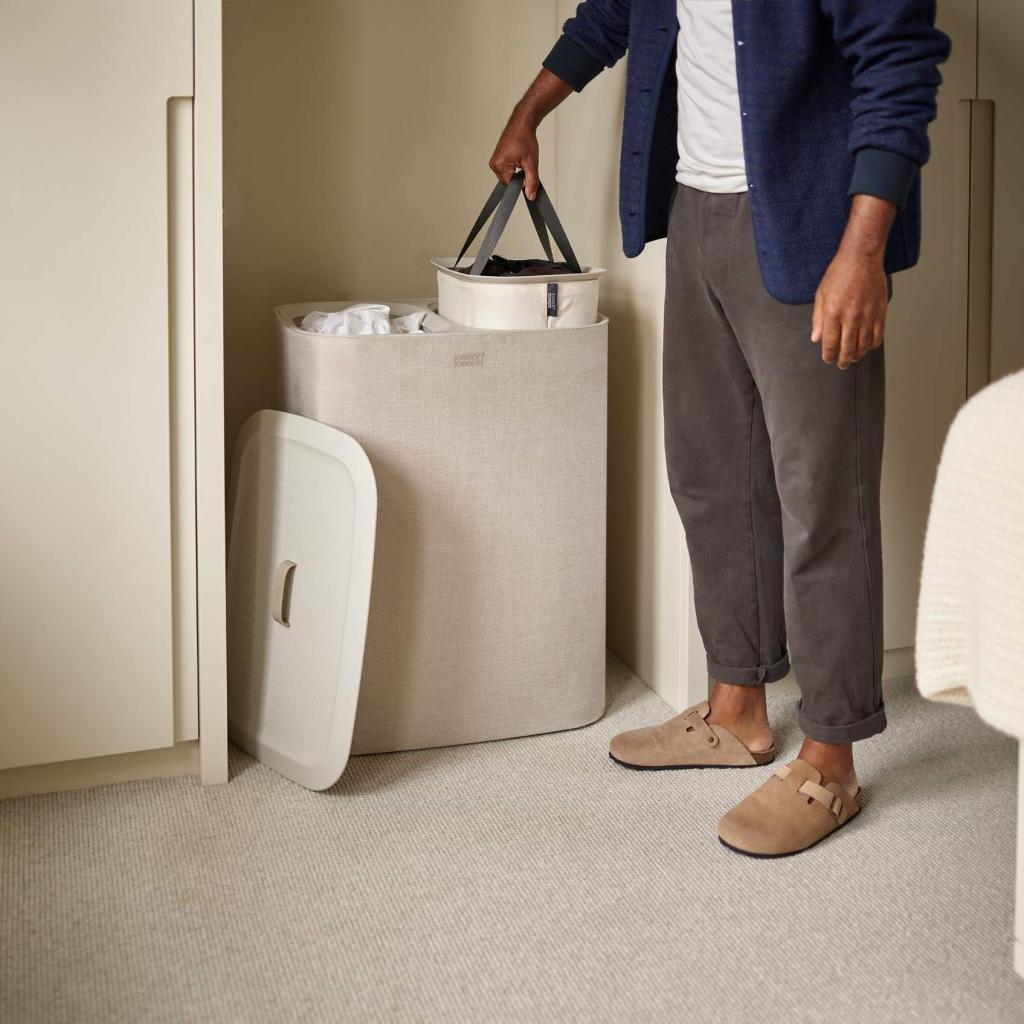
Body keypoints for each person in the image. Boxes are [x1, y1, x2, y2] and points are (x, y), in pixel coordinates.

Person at [489, 1, 951, 857]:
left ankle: (831, 760)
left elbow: (899, 65)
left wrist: (862, 254)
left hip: (814, 224)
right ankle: (737, 711)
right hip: (696, 209)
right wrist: (529, 112)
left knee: (823, 498)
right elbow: (613, 14)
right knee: (712, 475)